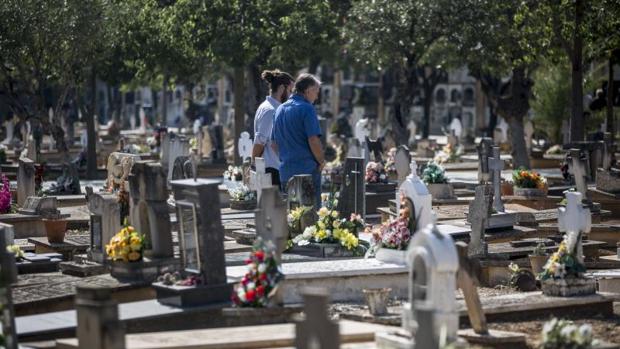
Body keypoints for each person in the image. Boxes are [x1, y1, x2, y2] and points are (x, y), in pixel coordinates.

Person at [272, 73, 324, 207]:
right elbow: (313, 140)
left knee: (291, 216)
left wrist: (286, 157)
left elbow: (273, 144)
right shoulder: (307, 108)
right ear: (308, 91)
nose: (317, 96)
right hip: (307, 170)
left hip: (285, 171)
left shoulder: (279, 109)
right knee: (310, 219)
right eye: (316, 92)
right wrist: (321, 161)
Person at [252, 69, 294, 186]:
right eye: (290, 90)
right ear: (281, 88)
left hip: (273, 168)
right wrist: (253, 167)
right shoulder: (271, 111)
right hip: (271, 170)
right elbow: (259, 142)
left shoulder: (269, 107)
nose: (291, 95)